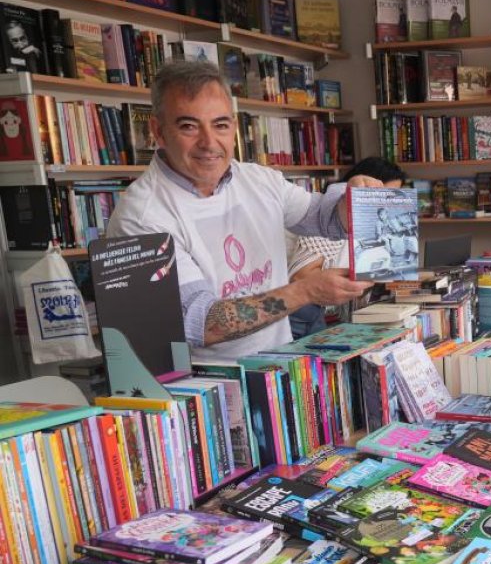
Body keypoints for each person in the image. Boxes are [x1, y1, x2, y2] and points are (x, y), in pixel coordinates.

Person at [106, 60, 380, 362]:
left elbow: (325, 219)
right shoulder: (140, 216)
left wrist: (355, 200)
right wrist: (306, 292)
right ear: (157, 131)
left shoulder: (258, 179)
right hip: (206, 391)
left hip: (279, 368)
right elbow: (200, 323)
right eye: (189, 126)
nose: (209, 143)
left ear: (234, 127)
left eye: (220, 125)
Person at [287, 157, 406, 339]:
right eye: (387, 195)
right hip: (302, 315)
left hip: (328, 313)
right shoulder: (331, 217)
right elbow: (301, 276)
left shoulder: (377, 226)